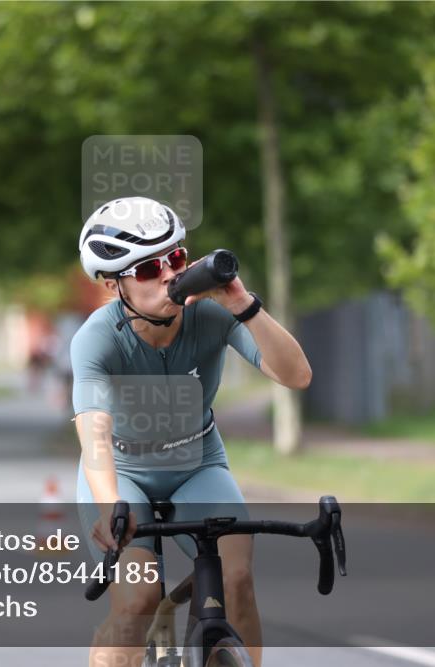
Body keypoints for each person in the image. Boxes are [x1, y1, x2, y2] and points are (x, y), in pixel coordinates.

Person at [72, 197, 312, 667]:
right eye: (146, 270)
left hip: (197, 463)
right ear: (112, 282)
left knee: (237, 578)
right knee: (137, 598)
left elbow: (297, 376)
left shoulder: (212, 313)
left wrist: (242, 304)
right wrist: (111, 507)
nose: (167, 275)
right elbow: (95, 437)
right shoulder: (97, 338)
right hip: (123, 471)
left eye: (176, 259)